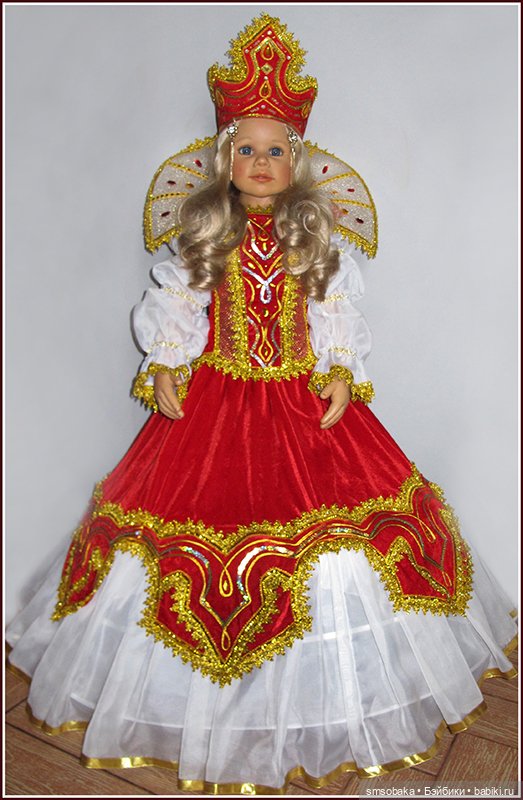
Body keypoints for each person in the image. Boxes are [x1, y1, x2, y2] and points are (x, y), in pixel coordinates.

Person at [6, 13, 517, 794]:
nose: (260, 162)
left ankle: (326, 696)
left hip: (302, 402)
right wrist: (166, 362)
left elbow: (335, 314)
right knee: (195, 537)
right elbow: (176, 306)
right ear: (222, 158)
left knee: (337, 549)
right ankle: (203, 707)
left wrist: (339, 369)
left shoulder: (315, 238)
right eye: (245, 149)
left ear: (297, 158)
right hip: (217, 402)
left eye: (275, 149)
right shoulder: (204, 235)